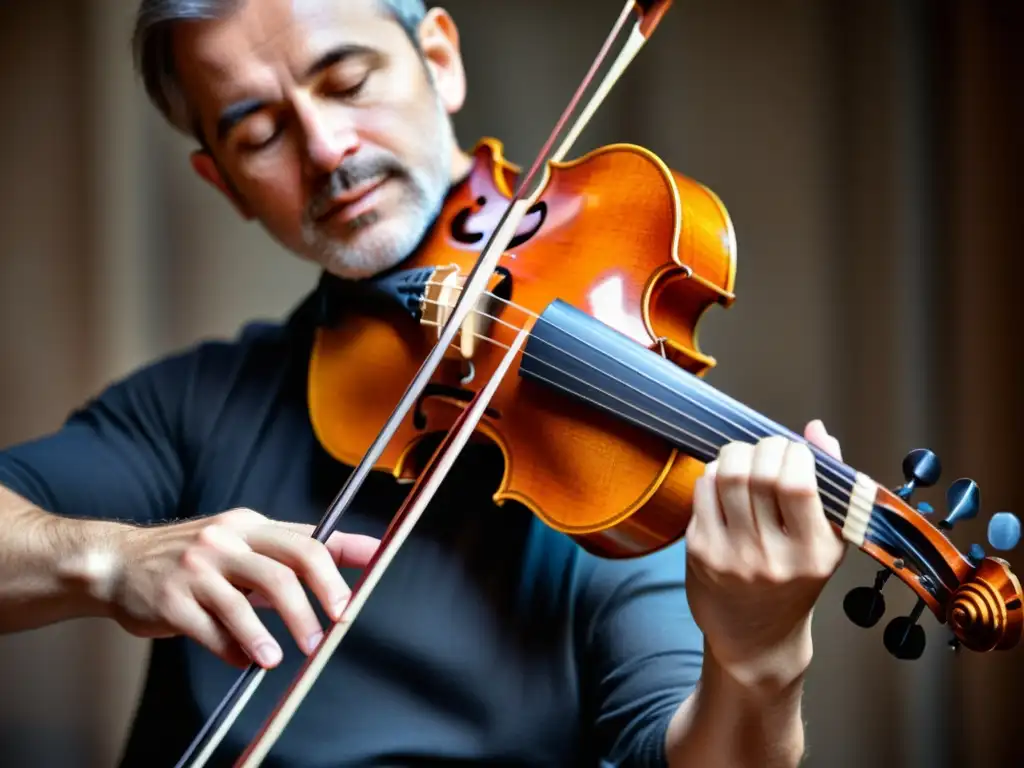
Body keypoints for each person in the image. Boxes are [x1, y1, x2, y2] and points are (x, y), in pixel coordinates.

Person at [0, 1, 848, 766]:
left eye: (349, 80)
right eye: (259, 134)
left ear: (439, 56)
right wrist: (109, 562)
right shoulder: (192, 404)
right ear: (225, 184)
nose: (328, 149)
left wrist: (759, 659)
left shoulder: (600, 474)